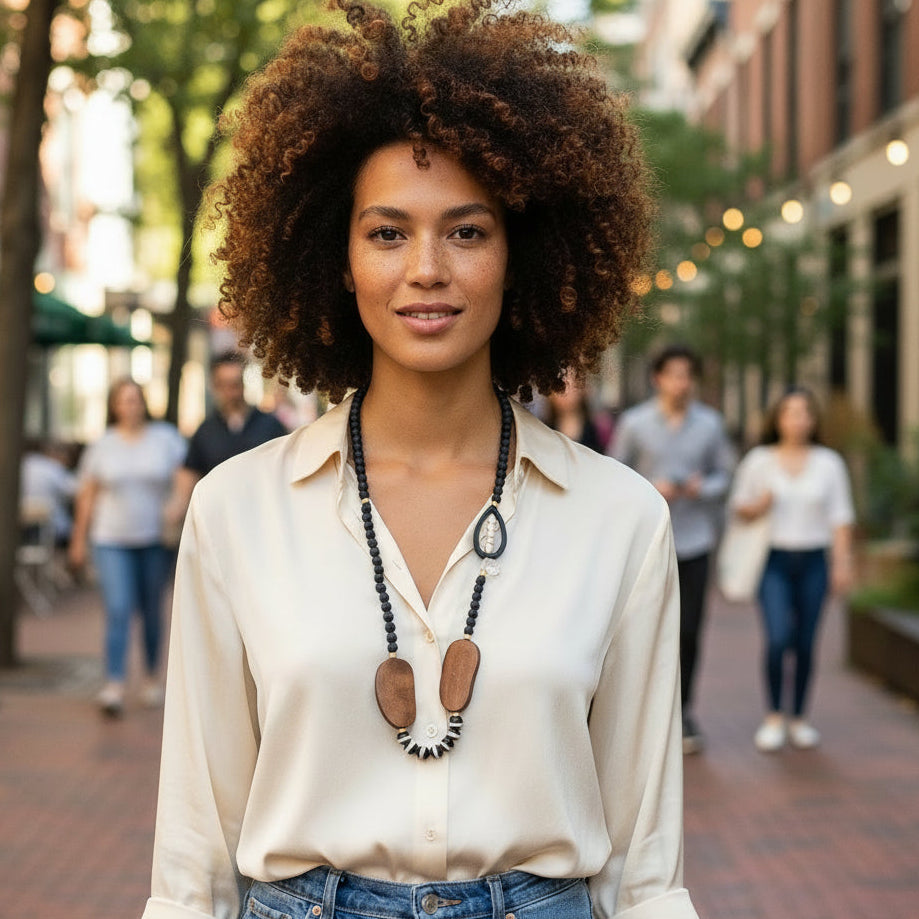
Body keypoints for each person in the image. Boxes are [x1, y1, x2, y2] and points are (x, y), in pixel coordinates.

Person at [142, 3, 698, 918]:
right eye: (388, 232)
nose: (427, 268)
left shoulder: (620, 516)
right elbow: (195, 855)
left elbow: (644, 871)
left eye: (467, 232)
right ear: (338, 258)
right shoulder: (237, 508)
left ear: (521, 256)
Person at [611, 344, 735, 754]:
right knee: (642, 629)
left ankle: (683, 713)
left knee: (690, 630)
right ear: (657, 378)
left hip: (696, 540)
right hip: (649, 542)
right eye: (674, 374)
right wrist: (650, 488)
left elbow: (725, 477)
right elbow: (614, 475)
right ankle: (644, 715)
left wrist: (703, 488)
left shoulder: (711, 424)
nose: (681, 383)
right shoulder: (634, 423)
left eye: (687, 375)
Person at [727, 387, 854, 752]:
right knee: (779, 638)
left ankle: (798, 717)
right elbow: (738, 507)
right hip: (774, 562)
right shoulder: (759, 461)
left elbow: (841, 519)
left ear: (814, 420)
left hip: (814, 560)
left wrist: (841, 565)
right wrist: (759, 506)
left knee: (806, 643)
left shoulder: (830, 463)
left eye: (804, 412)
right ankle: (773, 717)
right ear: (777, 418)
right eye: (790, 411)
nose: (798, 419)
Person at [69, 378, 186, 716]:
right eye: (123, 401)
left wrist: (177, 502)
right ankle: (114, 685)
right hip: (110, 540)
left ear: (143, 403)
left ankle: (151, 677)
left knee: (152, 611)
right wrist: (78, 541)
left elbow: (184, 475)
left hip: (153, 540)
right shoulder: (102, 446)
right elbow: (87, 496)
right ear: (114, 406)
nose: (130, 406)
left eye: (135, 400)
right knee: (119, 608)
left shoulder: (165, 439)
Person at [166, 351, 287, 524]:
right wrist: (177, 507)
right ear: (215, 386)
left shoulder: (271, 425)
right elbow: (190, 472)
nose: (231, 393)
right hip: (219, 521)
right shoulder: (205, 430)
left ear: (244, 384)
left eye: (235, 384)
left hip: (263, 518)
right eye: (224, 385)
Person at [20, 438, 78, 546]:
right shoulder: (52, 468)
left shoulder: (20, 466)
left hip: (21, 530)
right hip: (53, 532)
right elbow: (76, 493)